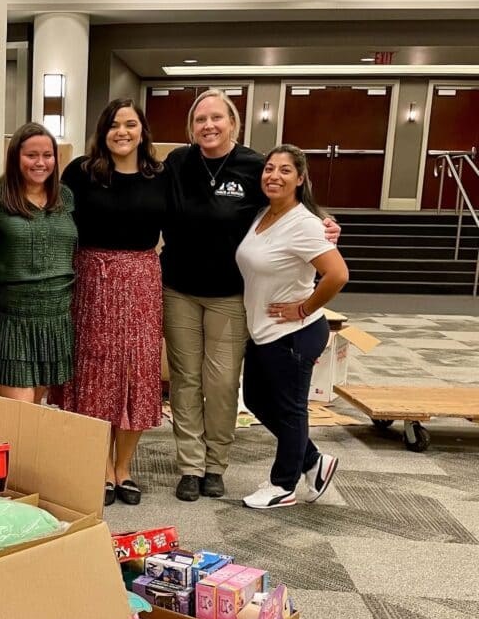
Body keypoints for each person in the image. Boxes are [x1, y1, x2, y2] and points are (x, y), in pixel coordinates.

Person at [161, 88, 340, 502]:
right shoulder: (177, 163)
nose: (208, 125)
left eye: (216, 118)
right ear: (191, 126)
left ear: (233, 124)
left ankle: (215, 464)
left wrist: (325, 222)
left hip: (230, 295)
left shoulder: (254, 167)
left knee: (222, 382)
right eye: (200, 119)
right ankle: (190, 464)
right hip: (179, 290)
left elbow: (290, 200)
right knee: (185, 380)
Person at [58, 99, 167, 507]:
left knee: (136, 371)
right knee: (94, 372)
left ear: (142, 131)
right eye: (114, 125)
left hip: (141, 281)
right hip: (91, 280)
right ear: (103, 132)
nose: (122, 132)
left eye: (130, 124)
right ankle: (100, 465)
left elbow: (187, 223)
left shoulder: (159, 175)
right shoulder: (82, 172)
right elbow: (52, 216)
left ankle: (124, 468)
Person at [235, 144, 348, 508]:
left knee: (290, 407)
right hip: (264, 330)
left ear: (300, 179)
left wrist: (304, 307)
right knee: (255, 398)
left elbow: (338, 274)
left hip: (294, 334)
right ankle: (313, 460)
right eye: (269, 169)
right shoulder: (263, 215)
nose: (274, 176)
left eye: (285, 170)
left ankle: (283, 485)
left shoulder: (304, 224)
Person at [0, 123, 77, 403]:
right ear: (15, 157)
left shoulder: (65, 197)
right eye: (31, 155)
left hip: (53, 319)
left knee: (36, 409)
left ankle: (21, 450)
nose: (41, 163)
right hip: (9, 318)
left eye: (47, 155)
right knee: (22, 408)